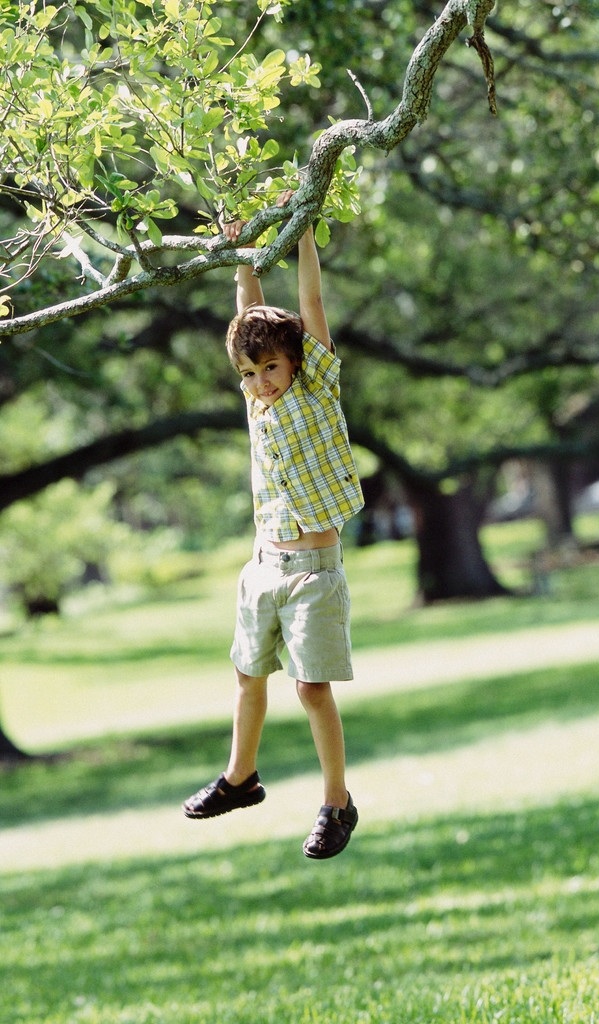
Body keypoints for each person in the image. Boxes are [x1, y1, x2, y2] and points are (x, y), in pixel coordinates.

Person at [182, 194, 365, 859]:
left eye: (270, 368)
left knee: (310, 689)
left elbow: (308, 311)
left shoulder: (315, 389)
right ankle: (241, 777)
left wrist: (303, 235)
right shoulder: (257, 403)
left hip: (313, 574)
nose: (260, 381)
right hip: (262, 567)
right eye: (250, 373)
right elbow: (246, 320)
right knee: (246, 676)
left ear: (296, 363)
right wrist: (240, 257)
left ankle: (336, 804)